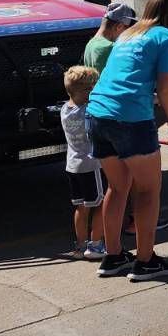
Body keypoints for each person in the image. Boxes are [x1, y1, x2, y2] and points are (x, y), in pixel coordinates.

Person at [85, 0, 168, 281]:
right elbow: (165, 86)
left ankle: (113, 256)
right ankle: (145, 261)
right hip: (130, 119)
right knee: (148, 190)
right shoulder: (166, 37)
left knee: (117, 188)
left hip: (97, 114)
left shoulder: (127, 34)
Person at [61, 65, 105, 261]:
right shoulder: (89, 111)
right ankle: (95, 244)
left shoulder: (65, 109)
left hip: (73, 165)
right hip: (91, 165)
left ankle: (80, 245)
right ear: (84, 91)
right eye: (92, 87)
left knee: (81, 207)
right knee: (101, 205)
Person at [83, 2, 136, 70]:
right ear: (119, 26)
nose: (128, 34)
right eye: (128, 29)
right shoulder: (110, 48)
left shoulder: (90, 43)